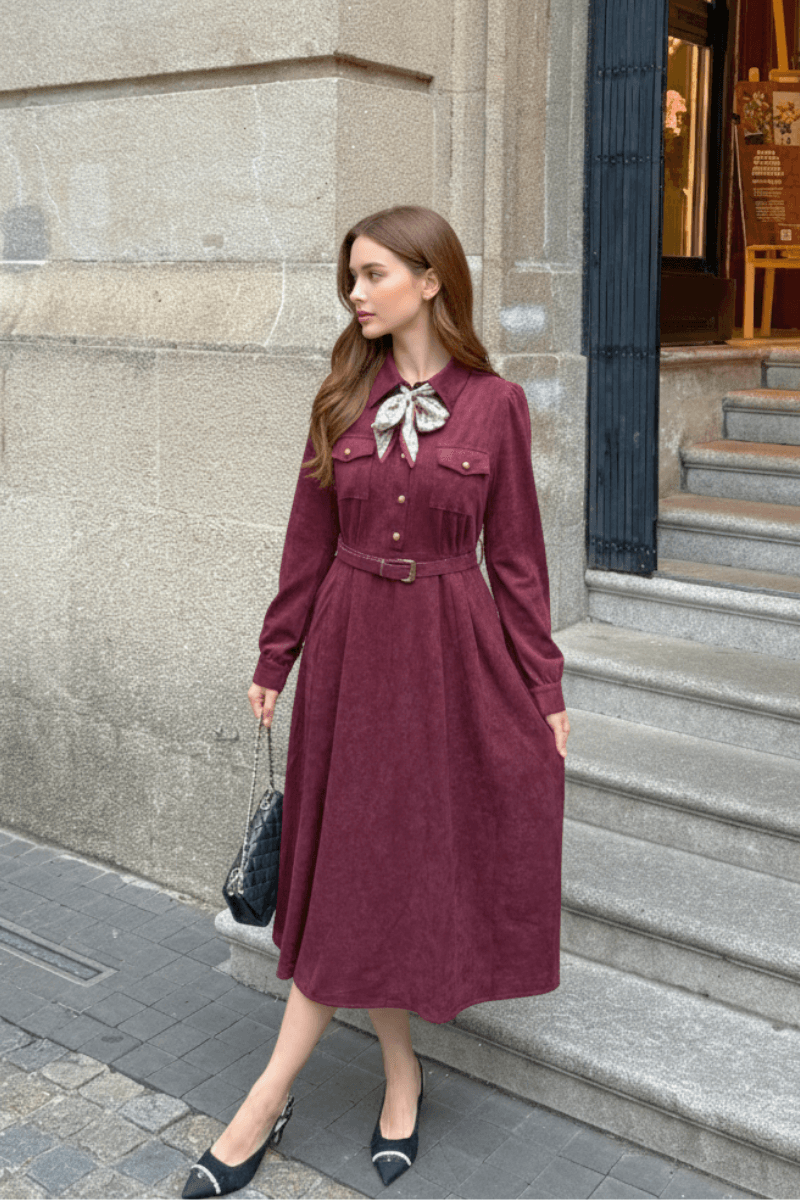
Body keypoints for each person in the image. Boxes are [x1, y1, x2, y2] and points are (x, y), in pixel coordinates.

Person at [182, 204, 570, 1198]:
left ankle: (305, 1092)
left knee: (391, 871)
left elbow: (517, 564)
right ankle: (353, 1083)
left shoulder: (494, 406)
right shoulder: (338, 400)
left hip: (449, 661)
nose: (355, 292)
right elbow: (304, 544)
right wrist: (276, 658)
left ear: (428, 280)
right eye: (348, 277)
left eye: (371, 273)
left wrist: (543, 688)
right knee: (357, 867)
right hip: (350, 661)